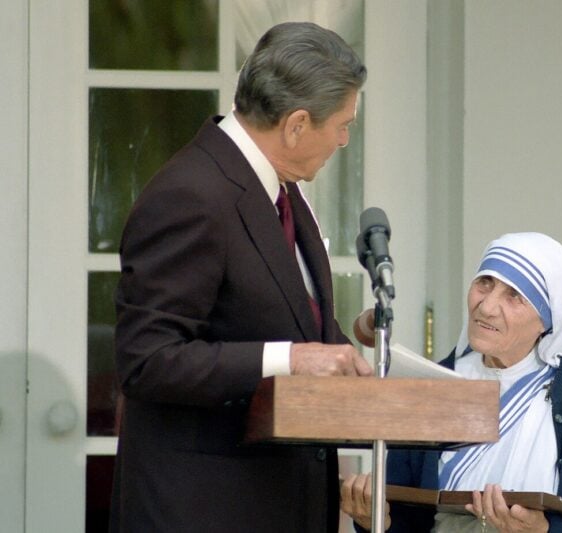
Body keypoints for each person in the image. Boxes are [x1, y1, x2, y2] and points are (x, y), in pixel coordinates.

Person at [109, 22, 372, 533]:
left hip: (276, 504)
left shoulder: (280, 189)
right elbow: (147, 359)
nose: (343, 139)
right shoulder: (191, 194)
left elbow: (282, 319)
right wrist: (291, 359)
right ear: (296, 124)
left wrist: (353, 353)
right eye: (343, 124)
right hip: (202, 510)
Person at [342, 232, 562, 532]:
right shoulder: (433, 385)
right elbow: (405, 519)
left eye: (514, 296)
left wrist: (544, 531)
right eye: (484, 283)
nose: (486, 307)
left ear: (547, 321)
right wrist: (374, 522)